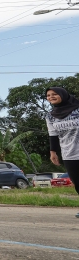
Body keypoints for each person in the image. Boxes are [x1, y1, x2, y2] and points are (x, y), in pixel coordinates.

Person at [47, 86, 79, 215]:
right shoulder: (50, 116)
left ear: (63, 94)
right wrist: (53, 152)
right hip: (69, 153)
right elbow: (52, 134)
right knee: (77, 183)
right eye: (48, 95)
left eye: (54, 94)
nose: (51, 97)